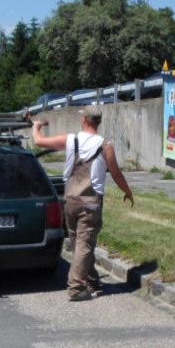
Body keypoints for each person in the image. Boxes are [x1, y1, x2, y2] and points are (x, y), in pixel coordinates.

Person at [32, 109, 135, 301]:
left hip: (70, 200)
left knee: (79, 244)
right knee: (84, 244)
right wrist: (127, 192)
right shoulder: (106, 146)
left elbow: (39, 141)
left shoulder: (71, 140)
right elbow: (117, 174)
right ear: (99, 122)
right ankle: (76, 288)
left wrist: (36, 127)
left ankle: (92, 281)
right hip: (90, 203)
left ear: (84, 120)